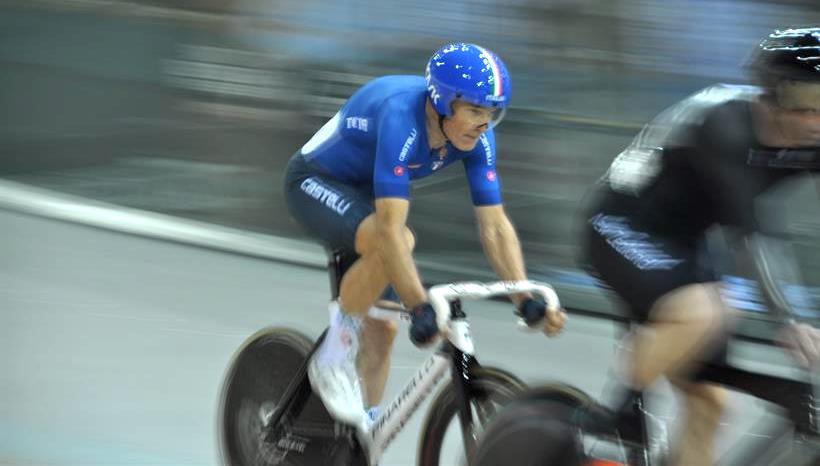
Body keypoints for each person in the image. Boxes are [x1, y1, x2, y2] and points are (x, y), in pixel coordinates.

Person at [283, 42, 567, 427]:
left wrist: (522, 295)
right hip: (317, 182)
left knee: (382, 329)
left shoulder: (477, 138)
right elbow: (389, 230)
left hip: (368, 199)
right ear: (444, 101)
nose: (485, 123)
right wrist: (419, 307)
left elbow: (495, 225)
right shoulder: (401, 117)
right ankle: (331, 358)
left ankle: (363, 436)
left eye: (493, 112)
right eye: (475, 110)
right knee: (399, 243)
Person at [580, 27, 820, 466]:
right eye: (810, 100)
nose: (818, 118)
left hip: (684, 243)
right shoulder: (725, 125)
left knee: (711, 405)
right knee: (709, 308)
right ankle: (618, 412)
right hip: (620, 227)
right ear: (775, 93)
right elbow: (751, 238)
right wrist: (789, 319)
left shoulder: (810, 134)